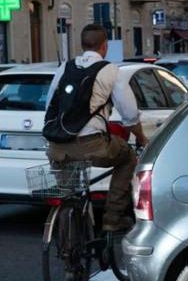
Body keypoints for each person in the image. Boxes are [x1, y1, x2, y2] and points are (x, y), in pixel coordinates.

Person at [45, 24, 148, 233]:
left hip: (57, 146)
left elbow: (49, 105)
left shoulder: (65, 67)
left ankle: (67, 226)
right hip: (92, 145)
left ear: (82, 45)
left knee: (69, 192)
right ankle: (112, 218)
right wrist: (141, 137)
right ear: (105, 46)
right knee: (128, 158)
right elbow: (129, 113)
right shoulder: (110, 70)